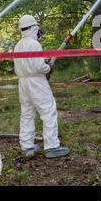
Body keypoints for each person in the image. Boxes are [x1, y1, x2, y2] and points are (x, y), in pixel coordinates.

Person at [14, 15, 69, 158]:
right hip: (36, 82)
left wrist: (44, 67)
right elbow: (39, 66)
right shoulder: (34, 44)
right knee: (48, 111)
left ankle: (27, 146)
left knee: (27, 113)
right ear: (33, 28)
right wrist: (48, 68)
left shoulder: (18, 45)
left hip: (23, 82)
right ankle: (51, 146)